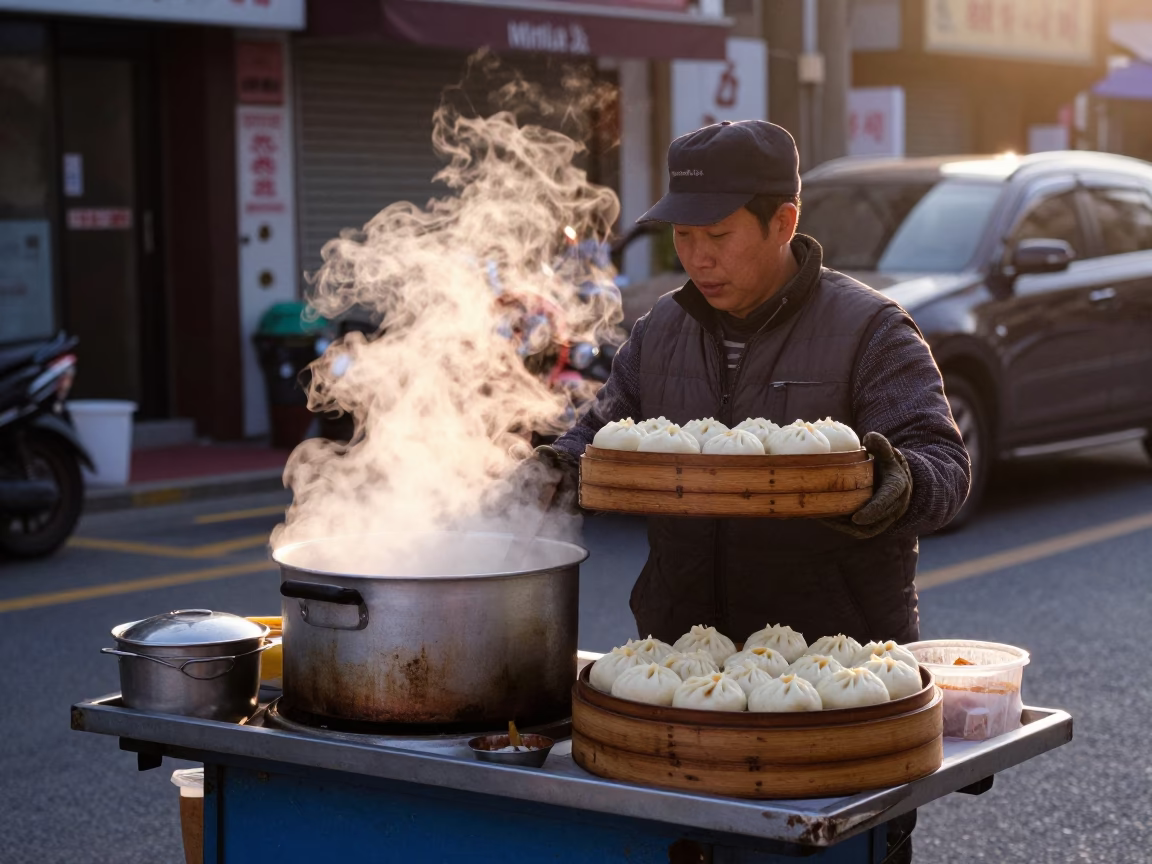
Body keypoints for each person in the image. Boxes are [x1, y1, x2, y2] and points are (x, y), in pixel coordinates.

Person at [538, 120, 971, 863]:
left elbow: (945, 469)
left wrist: (891, 481)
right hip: (679, 675)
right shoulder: (660, 333)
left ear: (784, 222)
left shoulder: (871, 330)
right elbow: (600, 439)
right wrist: (549, 473)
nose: (698, 258)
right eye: (682, 237)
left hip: (834, 692)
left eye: (717, 234)